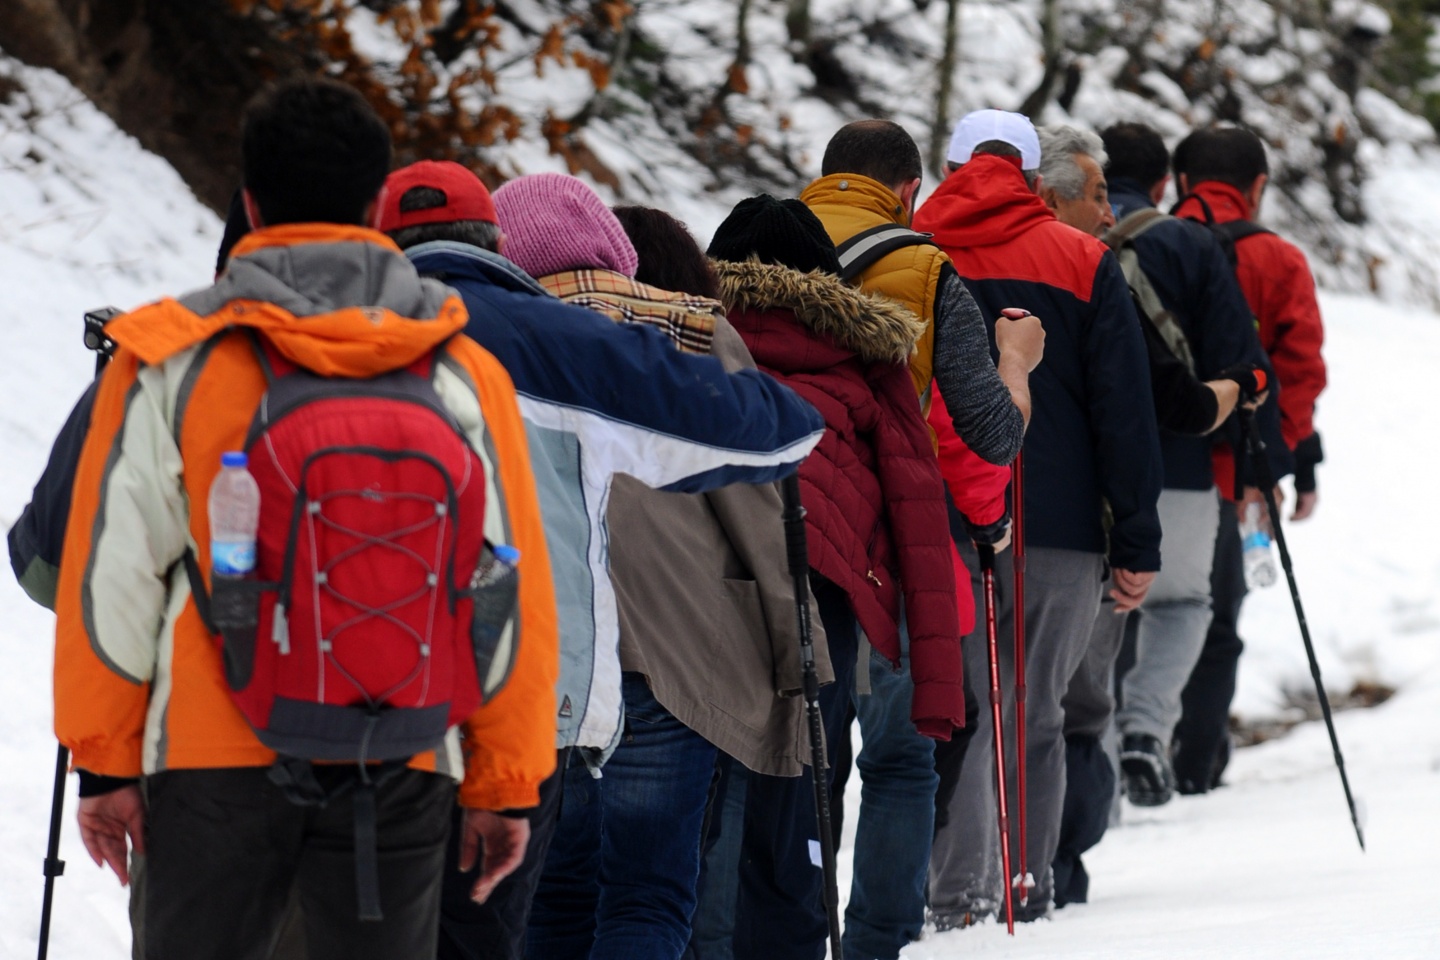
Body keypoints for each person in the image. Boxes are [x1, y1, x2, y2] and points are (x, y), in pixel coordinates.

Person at [51, 78, 558, 960]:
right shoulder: (463, 373)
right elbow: (509, 583)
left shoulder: (174, 359)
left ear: (248, 200)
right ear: (375, 205)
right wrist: (503, 782)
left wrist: (105, 764)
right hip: (403, 752)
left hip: (212, 758)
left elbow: (114, 579)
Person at [373, 163, 825, 960]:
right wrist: (799, 657)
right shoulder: (660, 334)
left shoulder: (387, 340)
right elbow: (766, 495)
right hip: (670, 663)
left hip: (505, 667)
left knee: (546, 890)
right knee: (648, 892)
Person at [795, 118, 1043, 959]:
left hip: (777, 543)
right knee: (898, 763)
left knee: (797, 763)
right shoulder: (929, 272)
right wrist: (1016, 359)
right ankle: (875, 943)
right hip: (894, 546)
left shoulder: (749, 250)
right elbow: (990, 433)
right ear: (908, 190)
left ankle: (792, 929)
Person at [916, 109, 1163, 925]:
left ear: (948, 166)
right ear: (1032, 180)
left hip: (941, 518)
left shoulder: (911, 250)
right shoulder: (1083, 258)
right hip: (1056, 524)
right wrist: (1135, 536)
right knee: (1036, 710)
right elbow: (1123, 412)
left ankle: (958, 894)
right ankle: (1027, 880)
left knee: (962, 710)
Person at [707, 195, 958, 960]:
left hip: (700, 599)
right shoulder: (869, 363)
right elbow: (920, 517)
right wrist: (936, 689)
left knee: (707, 800)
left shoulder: (679, 348)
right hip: (827, 609)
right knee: (803, 799)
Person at [1039, 122, 1265, 901]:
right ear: (1164, 183)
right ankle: (1145, 727)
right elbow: (1243, 357)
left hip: (1083, 480)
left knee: (1089, 631)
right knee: (1182, 601)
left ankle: (1091, 778)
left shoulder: (1051, 244)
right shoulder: (1194, 246)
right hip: (1186, 459)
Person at [1170, 125, 1326, 795]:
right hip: (1232, 476)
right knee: (1215, 619)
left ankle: (1122, 755)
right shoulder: (1280, 260)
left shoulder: (1139, 243)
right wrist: (1281, 466)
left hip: (1147, 469)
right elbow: (1299, 370)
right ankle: (1197, 766)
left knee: (1135, 613)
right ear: (1257, 188)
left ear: (1178, 183)